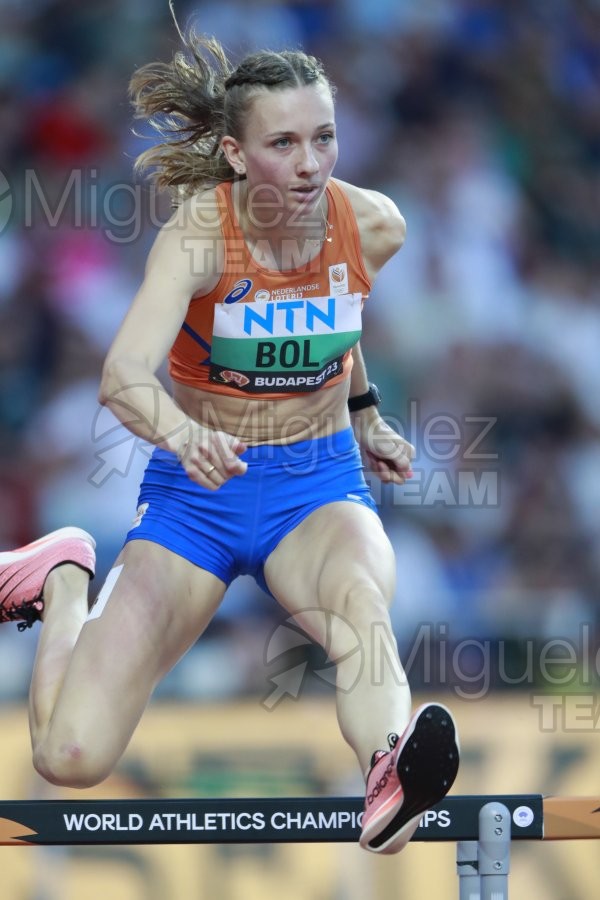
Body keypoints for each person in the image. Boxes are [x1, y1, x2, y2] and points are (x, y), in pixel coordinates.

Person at [0, 27, 458, 854]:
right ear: (236, 153)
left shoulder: (375, 226)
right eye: (284, 143)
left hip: (315, 486)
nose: (312, 164)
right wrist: (181, 431)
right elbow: (123, 377)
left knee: (360, 601)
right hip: (195, 496)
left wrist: (367, 415)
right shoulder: (198, 237)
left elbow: (334, 322)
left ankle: (389, 771)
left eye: (324, 138)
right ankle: (64, 578)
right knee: (69, 758)